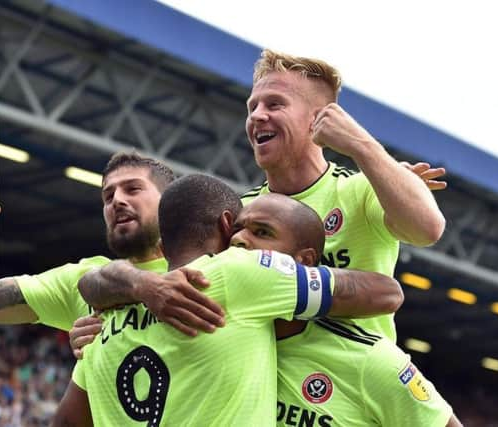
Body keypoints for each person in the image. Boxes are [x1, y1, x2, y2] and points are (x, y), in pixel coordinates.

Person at [53, 174, 405, 426]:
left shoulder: (104, 319)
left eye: (260, 231)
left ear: (163, 240)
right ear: (225, 225)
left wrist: (133, 283)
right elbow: (387, 292)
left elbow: (67, 422)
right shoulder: (240, 273)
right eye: (240, 227)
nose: (244, 240)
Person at [241, 49, 446, 341]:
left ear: (319, 119)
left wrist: (361, 145)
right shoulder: (242, 211)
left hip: (356, 383)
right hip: (271, 383)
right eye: (253, 107)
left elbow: (428, 229)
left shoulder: (359, 190)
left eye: (275, 104)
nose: (258, 115)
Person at [231, 194, 462, 427]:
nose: (238, 239)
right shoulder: (212, 328)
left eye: (262, 233)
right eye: (236, 229)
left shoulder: (369, 360)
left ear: (304, 262)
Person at [0, 152, 222, 335]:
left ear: (169, 200)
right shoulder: (82, 280)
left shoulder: (215, 264)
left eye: (133, 188)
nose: (117, 201)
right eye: (108, 196)